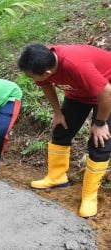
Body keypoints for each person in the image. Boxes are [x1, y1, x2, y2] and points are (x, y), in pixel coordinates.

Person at [17, 43, 111, 218]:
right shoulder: (43, 61)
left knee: (100, 142)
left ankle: (89, 196)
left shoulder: (76, 65)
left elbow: (106, 92)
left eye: (30, 76)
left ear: (47, 73)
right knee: (61, 130)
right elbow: (46, 86)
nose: (29, 78)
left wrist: (100, 123)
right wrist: (58, 113)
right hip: (79, 93)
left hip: (107, 91)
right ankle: (57, 176)